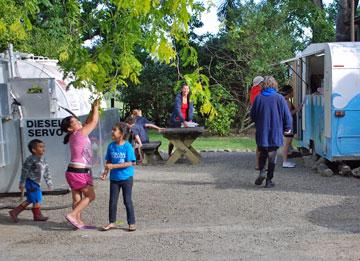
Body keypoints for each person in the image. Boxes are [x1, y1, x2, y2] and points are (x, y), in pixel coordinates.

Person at [60, 99, 100, 229]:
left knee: (77, 198)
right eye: (75, 122)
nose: (78, 122)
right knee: (90, 196)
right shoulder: (79, 133)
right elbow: (93, 122)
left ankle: (77, 221)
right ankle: (72, 215)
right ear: (70, 128)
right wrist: (96, 108)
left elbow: (88, 121)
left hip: (72, 171)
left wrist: (92, 109)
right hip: (79, 172)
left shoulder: (76, 134)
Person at [250, 76, 292, 188]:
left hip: (262, 131)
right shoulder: (279, 98)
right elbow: (286, 115)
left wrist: (258, 121)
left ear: (263, 85)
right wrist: (287, 127)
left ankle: (262, 172)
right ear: (274, 85)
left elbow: (252, 115)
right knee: (272, 155)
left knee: (263, 153)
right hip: (275, 131)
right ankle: (269, 180)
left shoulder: (258, 98)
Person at [100, 122, 136, 231]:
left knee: (127, 200)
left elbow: (131, 163)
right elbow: (108, 162)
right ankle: (112, 222)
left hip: (126, 178)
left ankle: (131, 223)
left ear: (121, 133)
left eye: (114, 130)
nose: (112, 131)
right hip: (114, 179)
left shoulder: (127, 146)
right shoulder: (111, 146)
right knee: (112, 201)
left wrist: (114, 166)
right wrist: (105, 173)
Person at [9, 139, 53, 222]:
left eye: (44, 147)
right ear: (34, 150)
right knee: (36, 198)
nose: (43, 149)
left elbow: (46, 172)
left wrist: (49, 183)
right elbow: (24, 171)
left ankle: (15, 212)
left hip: (37, 183)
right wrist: (22, 183)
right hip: (31, 182)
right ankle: (37, 215)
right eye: (40, 147)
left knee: (30, 199)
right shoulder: (30, 159)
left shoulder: (43, 159)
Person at [168, 83, 194, 155]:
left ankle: (181, 153)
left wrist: (190, 119)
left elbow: (191, 109)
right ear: (182, 89)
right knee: (173, 138)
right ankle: (169, 153)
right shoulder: (178, 97)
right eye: (184, 89)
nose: (186, 90)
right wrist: (183, 121)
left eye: (187, 89)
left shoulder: (190, 97)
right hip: (177, 120)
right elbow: (177, 110)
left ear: (189, 90)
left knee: (185, 137)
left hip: (186, 120)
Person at [281, 85, 302, 168]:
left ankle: (285, 160)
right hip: (288, 125)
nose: (293, 93)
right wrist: (297, 109)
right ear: (289, 93)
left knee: (288, 143)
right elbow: (288, 114)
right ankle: (285, 162)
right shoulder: (286, 102)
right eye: (292, 91)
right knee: (287, 143)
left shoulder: (284, 100)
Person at [250, 76, 264, 170]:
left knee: (259, 143)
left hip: (257, 119)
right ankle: (263, 164)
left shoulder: (252, 91)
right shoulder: (260, 92)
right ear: (260, 83)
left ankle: (257, 164)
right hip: (263, 119)